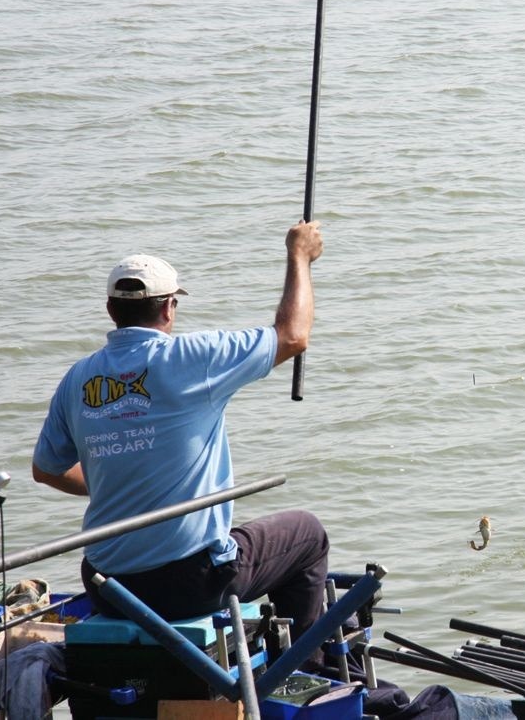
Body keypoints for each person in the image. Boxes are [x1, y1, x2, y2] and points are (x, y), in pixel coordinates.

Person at [31, 221, 328, 644]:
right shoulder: (192, 358)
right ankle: (303, 672)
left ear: (111, 310)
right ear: (169, 307)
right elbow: (293, 337)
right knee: (307, 533)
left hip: (107, 585)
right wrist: (299, 256)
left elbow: (46, 470)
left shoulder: (77, 378)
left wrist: (115, 483)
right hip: (189, 584)